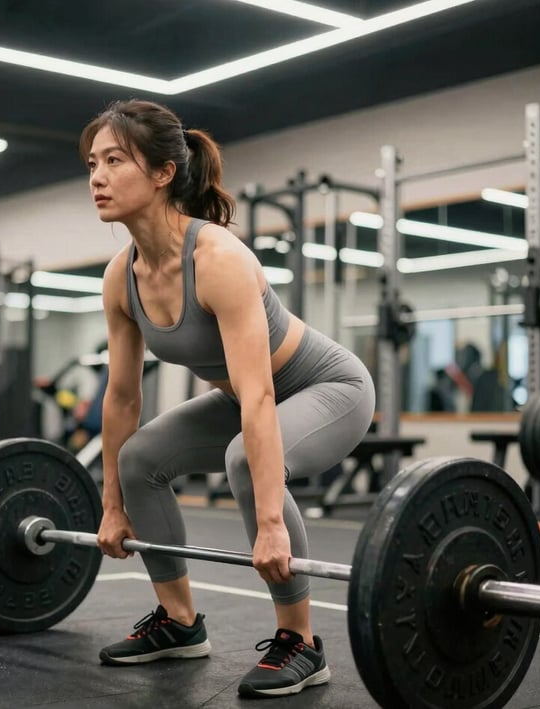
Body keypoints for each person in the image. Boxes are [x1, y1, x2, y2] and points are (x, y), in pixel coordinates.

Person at [80, 99, 375, 699]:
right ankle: (180, 622)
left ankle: (301, 642)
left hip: (328, 389)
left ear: (163, 172)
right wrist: (112, 504)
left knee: (247, 456)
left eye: (115, 160)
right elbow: (121, 398)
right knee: (139, 459)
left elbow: (261, 394)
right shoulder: (121, 276)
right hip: (247, 398)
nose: (98, 177)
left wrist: (271, 525)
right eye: (92, 163)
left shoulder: (218, 259)